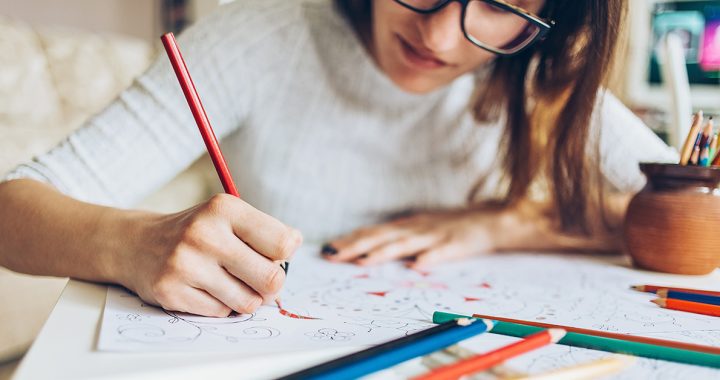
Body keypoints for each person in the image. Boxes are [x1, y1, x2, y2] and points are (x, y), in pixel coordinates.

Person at [0, 0, 675, 317]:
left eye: (499, 3)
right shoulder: (265, 38)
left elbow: (705, 214)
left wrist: (505, 222)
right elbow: (12, 207)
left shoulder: (534, 74)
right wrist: (135, 242)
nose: (438, 33)